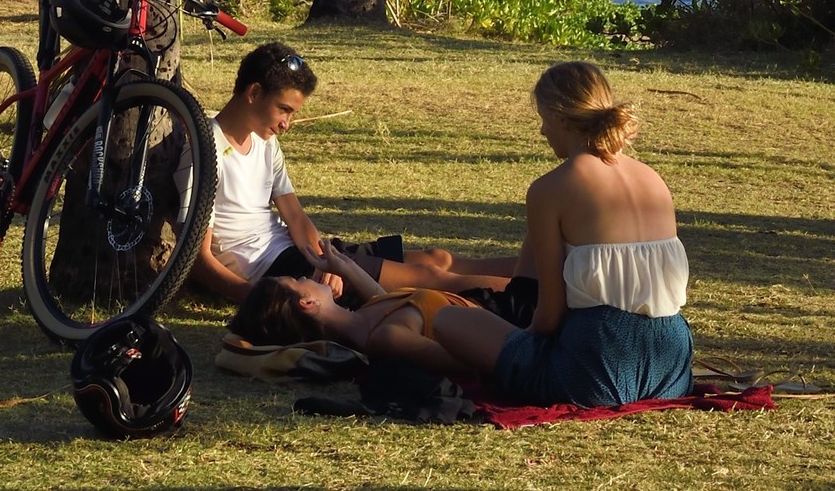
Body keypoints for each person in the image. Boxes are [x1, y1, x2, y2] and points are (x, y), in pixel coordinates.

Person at [281, 62, 694, 411]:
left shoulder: (553, 187)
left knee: (447, 321)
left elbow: (549, 315)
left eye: (543, 121)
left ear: (562, 119)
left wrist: (514, 343)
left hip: (598, 365)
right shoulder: (653, 180)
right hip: (673, 360)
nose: (542, 133)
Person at [189, 41, 508, 307]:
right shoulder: (204, 148)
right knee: (430, 279)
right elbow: (200, 259)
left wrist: (325, 261)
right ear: (254, 93)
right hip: (277, 270)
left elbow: (296, 219)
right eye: (284, 110)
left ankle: (539, 272)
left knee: (435, 258)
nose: (287, 124)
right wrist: (261, 297)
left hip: (304, 256)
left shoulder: (264, 140)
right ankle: (533, 296)